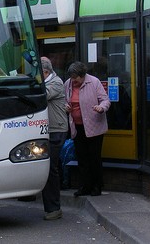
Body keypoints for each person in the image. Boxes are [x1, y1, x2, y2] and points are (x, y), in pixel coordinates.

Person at [64, 61, 110, 197]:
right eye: (71, 77)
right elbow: (65, 101)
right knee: (82, 158)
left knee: (94, 157)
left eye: (75, 78)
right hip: (77, 126)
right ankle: (85, 186)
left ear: (83, 75)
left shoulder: (94, 82)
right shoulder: (68, 84)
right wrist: (66, 107)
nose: (73, 80)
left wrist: (101, 108)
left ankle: (97, 186)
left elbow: (105, 100)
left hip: (94, 126)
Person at [40, 57, 68, 220]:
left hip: (56, 130)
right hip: (47, 130)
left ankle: (54, 209)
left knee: (50, 168)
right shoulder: (48, 81)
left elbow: (43, 94)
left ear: (45, 72)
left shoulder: (56, 83)